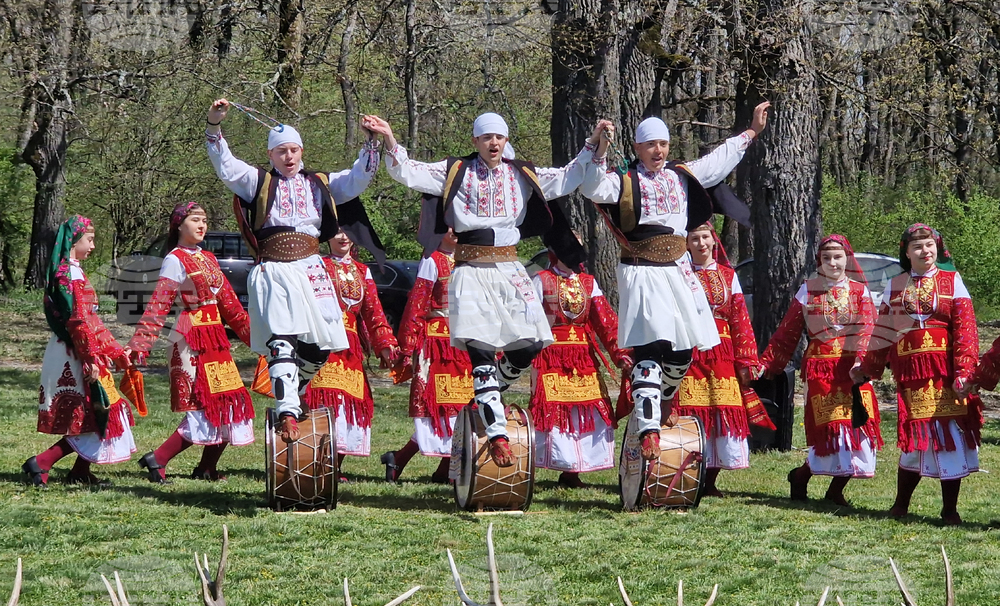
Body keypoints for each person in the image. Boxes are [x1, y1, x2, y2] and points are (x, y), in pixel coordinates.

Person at [365, 112, 594, 467]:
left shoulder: (521, 174)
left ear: (506, 141)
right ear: (475, 141)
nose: (493, 143)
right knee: (482, 353)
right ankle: (497, 434)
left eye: (499, 137)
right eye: (486, 137)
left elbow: (566, 177)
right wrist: (390, 138)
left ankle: (482, 399)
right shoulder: (457, 171)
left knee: (529, 345)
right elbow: (408, 171)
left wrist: (593, 144)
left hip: (510, 270)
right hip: (471, 270)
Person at [580, 102, 770, 461]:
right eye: (651, 145)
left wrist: (751, 131)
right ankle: (648, 429)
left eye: (663, 144)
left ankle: (665, 397)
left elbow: (717, 162)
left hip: (678, 270)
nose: (658, 151)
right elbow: (592, 186)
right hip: (642, 271)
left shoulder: (681, 175)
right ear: (637, 148)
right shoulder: (624, 181)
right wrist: (599, 146)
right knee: (649, 348)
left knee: (682, 351)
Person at [205, 98, 385, 443]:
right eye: (281, 151)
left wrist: (370, 141)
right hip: (275, 269)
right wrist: (215, 124)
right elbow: (225, 166)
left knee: (323, 346)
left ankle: (293, 390)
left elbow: (357, 179)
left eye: (293, 150)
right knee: (282, 342)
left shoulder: (321, 182)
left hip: (312, 268)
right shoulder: (258, 181)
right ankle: (287, 410)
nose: (288, 157)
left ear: (302, 151)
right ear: (270, 155)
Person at [858, 224, 980, 525]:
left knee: (950, 436)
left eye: (929, 245)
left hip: (945, 373)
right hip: (912, 375)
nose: (925, 251)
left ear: (937, 247)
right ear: (907, 252)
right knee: (916, 437)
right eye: (917, 247)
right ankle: (900, 505)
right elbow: (883, 331)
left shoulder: (952, 280)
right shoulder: (896, 285)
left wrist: (964, 371)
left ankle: (949, 510)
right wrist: (867, 367)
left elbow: (966, 329)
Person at [129, 202, 255, 483]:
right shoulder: (174, 259)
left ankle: (207, 467)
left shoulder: (208, 258)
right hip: (190, 337)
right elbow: (159, 303)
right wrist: (141, 342)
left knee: (229, 400)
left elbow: (230, 305)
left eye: (204, 220)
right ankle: (159, 458)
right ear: (178, 225)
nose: (201, 225)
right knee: (202, 404)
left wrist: (256, 338)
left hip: (216, 338)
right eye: (195, 219)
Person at [761, 235, 882, 506]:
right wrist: (770, 363)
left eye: (837, 257)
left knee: (859, 427)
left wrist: (862, 363)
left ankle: (835, 490)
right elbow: (788, 331)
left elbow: (868, 329)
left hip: (853, 369)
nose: (832, 263)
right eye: (826, 258)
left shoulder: (859, 291)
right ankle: (801, 476)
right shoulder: (808, 290)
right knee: (831, 430)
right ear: (819, 261)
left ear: (847, 259)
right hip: (821, 369)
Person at [23, 216, 136, 487]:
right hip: (73, 351)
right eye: (90, 239)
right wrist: (90, 359)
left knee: (99, 410)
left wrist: (114, 351)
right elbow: (78, 322)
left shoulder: (74, 271)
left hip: (80, 347)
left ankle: (79, 471)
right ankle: (42, 462)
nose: (93, 246)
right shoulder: (69, 274)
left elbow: (91, 321)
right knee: (92, 410)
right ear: (74, 241)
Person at [674, 222, 773, 497]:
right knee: (692, 410)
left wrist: (746, 360)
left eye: (705, 237)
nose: (701, 244)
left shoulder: (728, 276)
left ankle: (710, 480)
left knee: (722, 410)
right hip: (691, 350)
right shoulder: (678, 275)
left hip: (722, 353)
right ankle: (689, 475)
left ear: (713, 240)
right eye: (695, 239)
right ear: (686, 244)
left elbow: (740, 319)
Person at [530, 247, 632, 488]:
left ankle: (573, 472)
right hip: (551, 356)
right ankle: (554, 463)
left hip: (583, 357)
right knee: (556, 409)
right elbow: (527, 318)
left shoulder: (588, 282)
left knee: (590, 406)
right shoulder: (541, 280)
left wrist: (621, 353)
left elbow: (606, 321)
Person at [302, 230, 398, 478]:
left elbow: (373, 311)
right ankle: (315, 463)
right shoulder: (316, 265)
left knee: (348, 403)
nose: (343, 237)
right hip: (323, 342)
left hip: (350, 349)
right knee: (324, 401)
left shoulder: (362, 271)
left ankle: (334, 467)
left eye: (347, 231)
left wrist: (386, 343)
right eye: (336, 231)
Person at [381, 228, 472, 483]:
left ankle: (436, 468)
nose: (454, 231)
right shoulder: (432, 260)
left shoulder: (469, 260)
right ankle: (410, 461)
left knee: (463, 404)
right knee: (439, 404)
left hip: (463, 341)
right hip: (436, 343)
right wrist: (408, 345)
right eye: (449, 226)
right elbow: (417, 303)